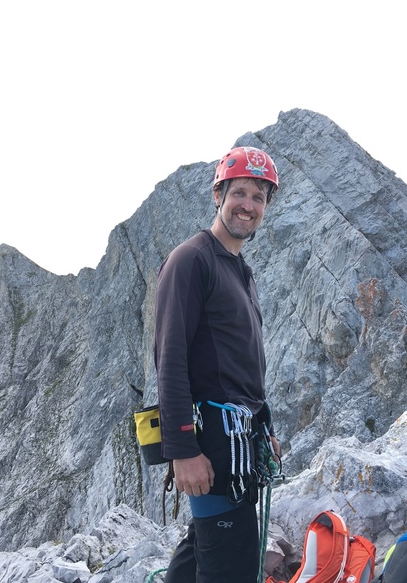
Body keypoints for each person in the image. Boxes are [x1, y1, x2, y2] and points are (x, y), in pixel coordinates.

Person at [154, 146, 281, 583]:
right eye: (240, 193)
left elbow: (244, 367)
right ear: (218, 194)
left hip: (242, 444)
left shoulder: (241, 271)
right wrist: (183, 450)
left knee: (206, 547)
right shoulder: (191, 260)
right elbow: (169, 360)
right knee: (232, 564)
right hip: (212, 444)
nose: (248, 205)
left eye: (259, 198)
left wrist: (266, 429)